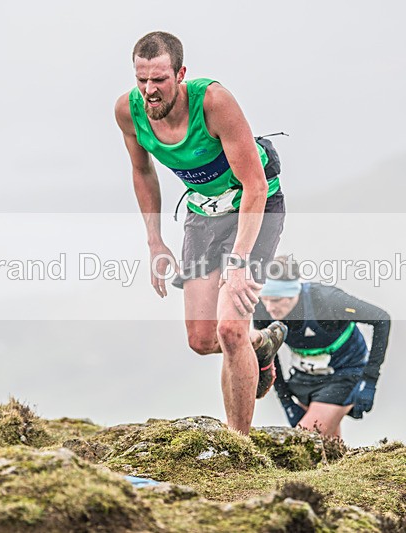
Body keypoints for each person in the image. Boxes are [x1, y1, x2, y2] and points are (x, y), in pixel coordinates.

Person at [114, 31, 287, 435]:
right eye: (142, 80)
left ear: (181, 74)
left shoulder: (213, 103)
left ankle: (237, 445)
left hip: (254, 207)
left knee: (230, 329)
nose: (149, 91)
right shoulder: (129, 111)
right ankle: (261, 345)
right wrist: (155, 240)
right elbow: (142, 170)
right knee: (202, 337)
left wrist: (240, 261)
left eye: (159, 80)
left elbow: (256, 186)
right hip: (204, 213)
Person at [252, 255, 391, 439]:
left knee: (302, 442)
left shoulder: (327, 301)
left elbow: (382, 319)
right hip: (305, 377)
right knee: (327, 448)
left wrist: (370, 380)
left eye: (276, 300)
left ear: (294, 292)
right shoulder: (262, 309)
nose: (270, 308)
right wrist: (285, 399)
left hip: (344, 373)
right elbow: (269, 355)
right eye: (265, 299)